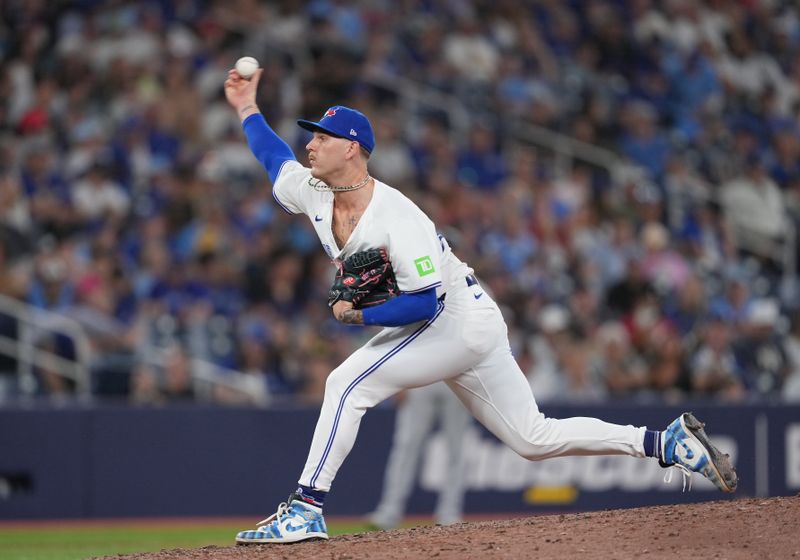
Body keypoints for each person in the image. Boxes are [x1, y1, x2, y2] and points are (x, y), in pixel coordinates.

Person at [224, 66, 737, 545]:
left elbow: (423, 305)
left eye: (322, 137)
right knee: (533, 439)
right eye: (312, 135)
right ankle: (663, 443)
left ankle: (306, 507)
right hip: (463, 320)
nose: (310, 144)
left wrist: (356, 315)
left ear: (353, 149)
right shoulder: (314, 191)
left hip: (455, 320)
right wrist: (247, 107)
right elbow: (273, 156)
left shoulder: (400, 219)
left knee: (345, 383)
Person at [368, 383, 471, 530]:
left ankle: (450, 513)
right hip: (421, 378)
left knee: (457, 449)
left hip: (456, 377)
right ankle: (389, 512)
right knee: (406, 447)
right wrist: (400, 383)